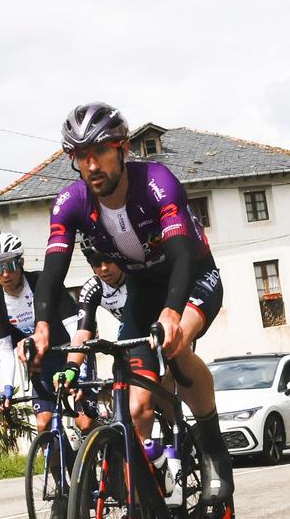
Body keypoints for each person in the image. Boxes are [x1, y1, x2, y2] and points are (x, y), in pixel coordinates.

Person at [28, 103, 232, 493]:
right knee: (136, 408)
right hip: (143, 289)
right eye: (80, 157)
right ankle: (147, 511)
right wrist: (40, 327)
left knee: (177, 345)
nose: (91, 166)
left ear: (121, 149)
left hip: (191, 278)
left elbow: (183, 255)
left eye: (99, 152)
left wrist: (173, 313)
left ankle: (212, 446)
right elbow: (53, 271)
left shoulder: (157, 182)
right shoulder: (70, 204)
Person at [0, 233, 65, 433]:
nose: (4, 274)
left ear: (21, 263)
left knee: (84, 422)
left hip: (67, 352)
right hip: (40, 364)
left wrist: (78, 363)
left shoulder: (41, 282)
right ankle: (62, 464)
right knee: (43, 425)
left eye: (9, 266)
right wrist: (7, 387)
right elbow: (5, 349)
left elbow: (73, 324)